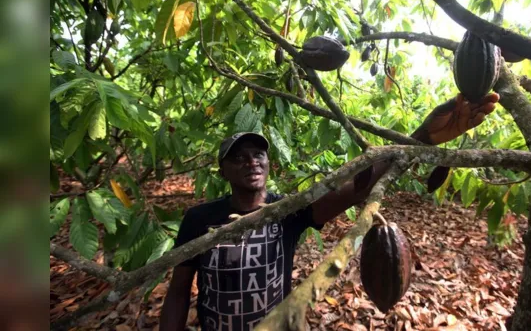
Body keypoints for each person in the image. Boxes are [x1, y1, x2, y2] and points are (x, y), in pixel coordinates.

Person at [159, 93, 500, 331]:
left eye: (258, 155)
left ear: (269, 163)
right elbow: (178, 292)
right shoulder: (199, 219)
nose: (251, 161)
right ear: (222, 170)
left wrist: (423, 136)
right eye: (238, 157)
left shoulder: (286, 211)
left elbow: (357, 188)